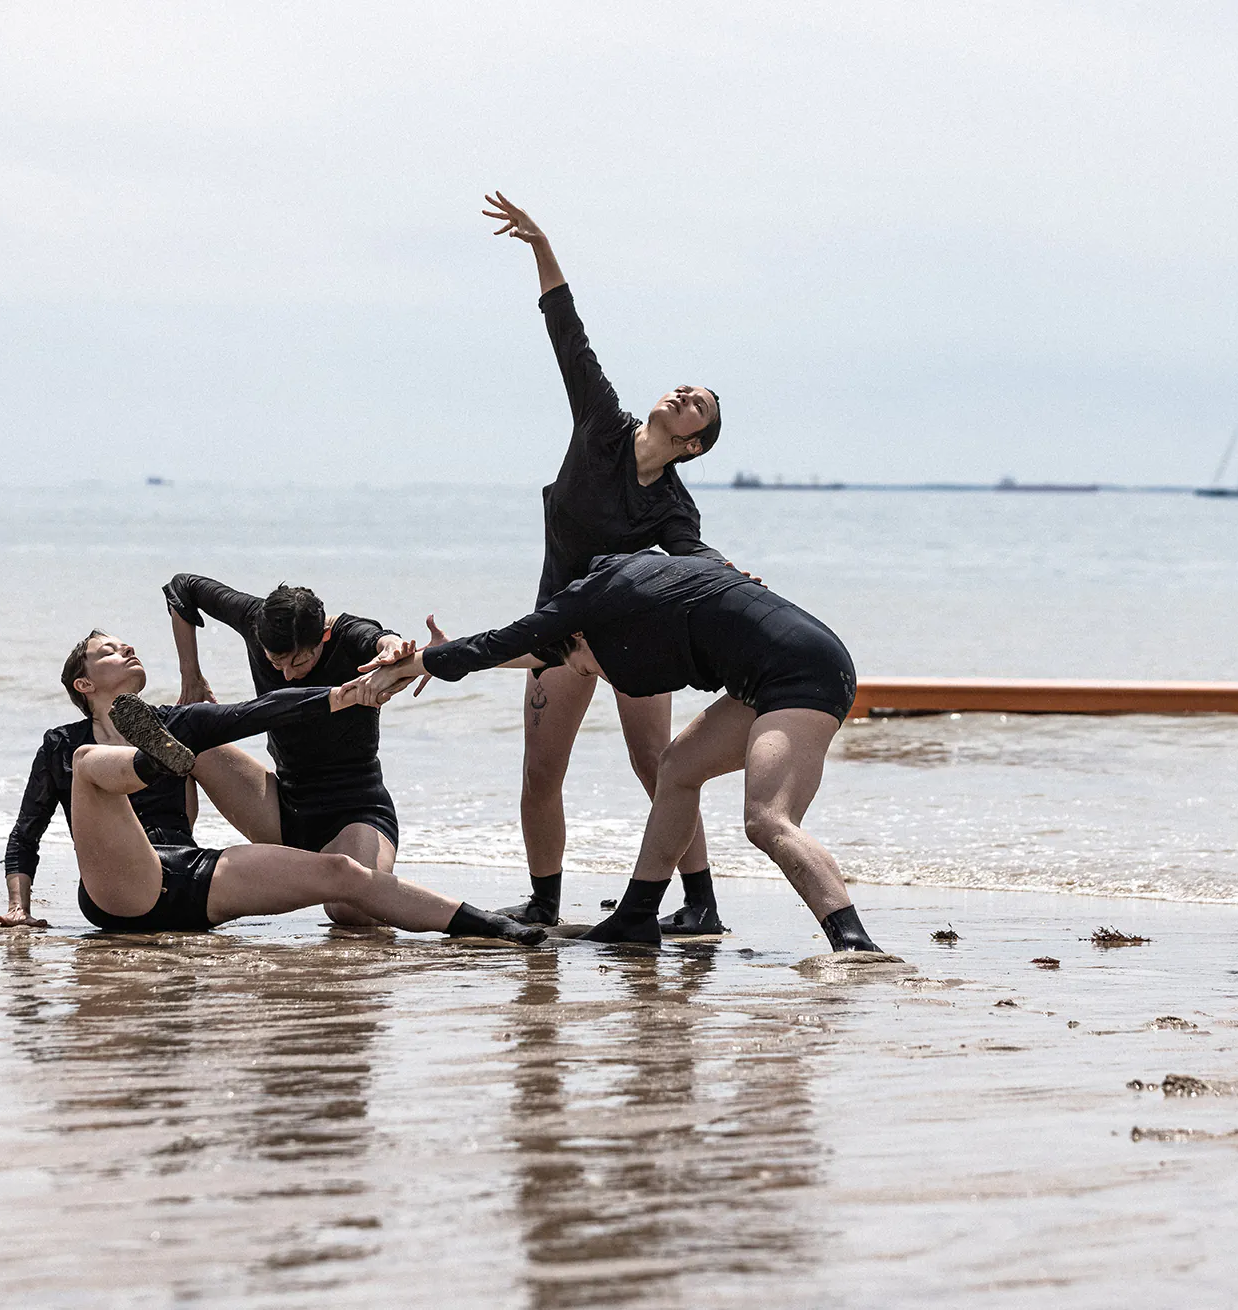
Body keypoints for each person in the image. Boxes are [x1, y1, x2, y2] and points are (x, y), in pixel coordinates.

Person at [352, 551, 884, 953]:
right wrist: (431, 659)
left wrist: (426, 661)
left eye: (587, 668)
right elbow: (535, 650)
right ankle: (636, 915)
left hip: (809, 674)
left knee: (766, 819)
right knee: (676, 767)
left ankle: (854, 943)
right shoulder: (624, 601)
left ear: (581, 635)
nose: (596, 675)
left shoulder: (602, 600)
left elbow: (506, 640)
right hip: (765, 680)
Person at [482, 191, 737, 935]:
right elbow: (568, 331)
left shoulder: (673, 507)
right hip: (559, 627)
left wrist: (735, 576)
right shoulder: (600, 421)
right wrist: (541, 243)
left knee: (658, 766)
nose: (686, 395)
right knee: (539, 772)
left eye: (700, 407)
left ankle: (700, 903)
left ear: (695, 445)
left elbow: (698, 561)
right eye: (686, 389)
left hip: (630, 636)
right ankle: (543, 903)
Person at [0, 630, 542, 944]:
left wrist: (342, 695)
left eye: (128, 645)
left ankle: (493, 925)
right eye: (109, 652)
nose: (128, 651)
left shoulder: (177, 718)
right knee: (90, 761)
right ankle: (149, 762)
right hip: (120, 885)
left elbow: (257, 711)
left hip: (190, 875)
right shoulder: (60, 742)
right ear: (84, 682)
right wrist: (17, 908)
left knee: (342, 875)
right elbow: (26, 833)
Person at [163, 574, 403, 925]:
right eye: (277, 663)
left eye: (299, 662)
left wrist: (393, 647)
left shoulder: (349, 635)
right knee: (180, 737)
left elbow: (383, 640)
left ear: (322, 636)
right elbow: (182, 587)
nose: (288, 675)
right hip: (283, 807)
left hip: (355, 809)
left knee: (351, 911)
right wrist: (191, 676)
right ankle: (173, 860)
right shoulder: (254, 618)